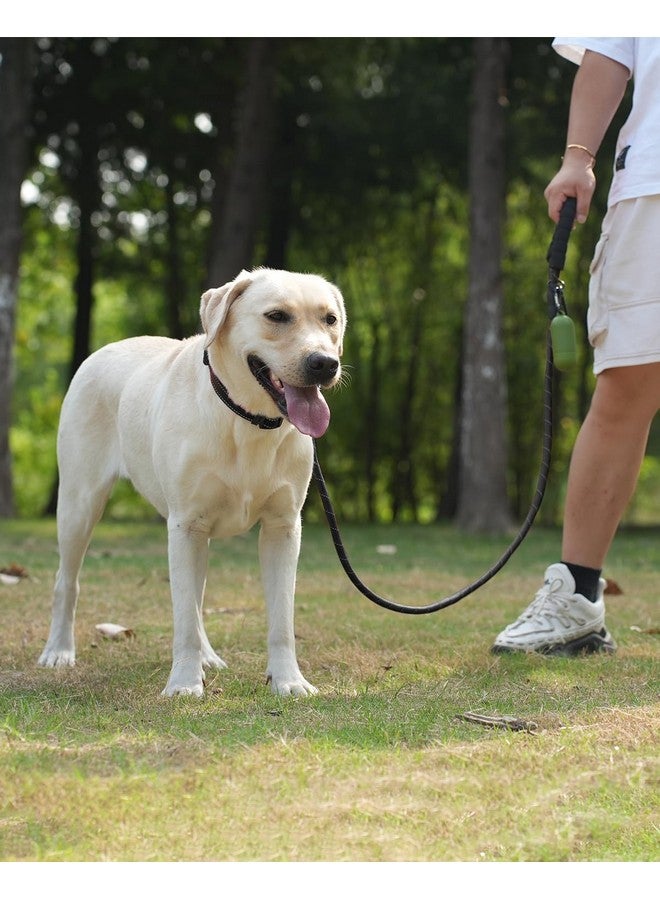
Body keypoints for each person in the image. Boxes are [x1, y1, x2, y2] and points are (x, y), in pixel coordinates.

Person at [493, 38, 660, 655]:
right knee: (627, 385)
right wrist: (578, 158)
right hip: (655, 183)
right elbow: (611, 47)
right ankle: (577, 602)